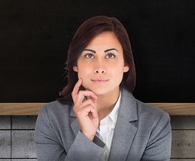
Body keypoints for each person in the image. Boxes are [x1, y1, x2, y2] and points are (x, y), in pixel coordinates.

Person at [35, 16, 171, 161]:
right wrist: (86, 136)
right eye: (89, 55)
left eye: (110, 55)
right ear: (75, 64)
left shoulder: (155, 123)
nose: (99, 68)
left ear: (126, 64)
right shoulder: (51, 119)